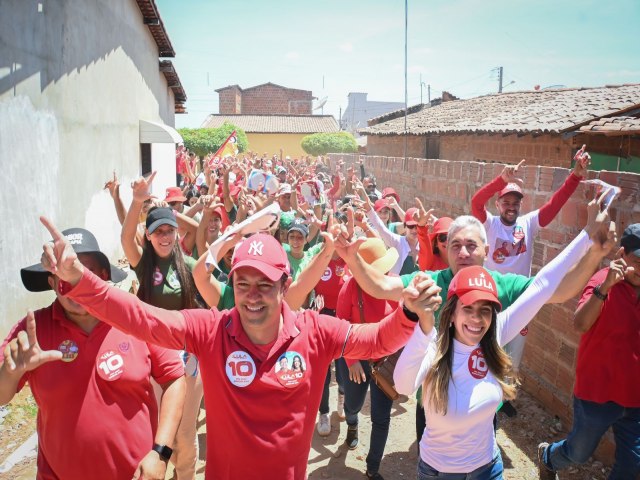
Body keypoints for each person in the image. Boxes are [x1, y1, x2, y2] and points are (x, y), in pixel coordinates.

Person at [38, 218, 435, 480]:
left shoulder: (315, 332)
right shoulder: (211, 331)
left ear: (285, 286)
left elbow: (376, 340)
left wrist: (408, 314)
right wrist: (79, 279)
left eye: (264, 285)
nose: (252, 296)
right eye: (242, 283)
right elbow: (142, 317)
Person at [394, 202, 615, 479]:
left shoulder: (495, 332)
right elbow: (403, 385)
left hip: (488, 467)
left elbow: (543, 284)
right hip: (440, 471)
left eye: (485, 309)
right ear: (450, 313)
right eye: (468, 308)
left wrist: (587, 234)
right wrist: (423, 329)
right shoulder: (433, 346)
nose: (477, 319)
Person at [0, 228, 185, 480]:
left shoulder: (133, 317)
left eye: (83, 274)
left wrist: (160, 452)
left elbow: (174, 378)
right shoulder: (32, 330)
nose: (75, 289)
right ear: (52, 283)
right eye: (64, 279)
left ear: (103, 276)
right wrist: (11, 372)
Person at [470, 153, 589, 401]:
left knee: (514, 355)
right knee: (487, 349)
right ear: (498, 204)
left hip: (521, 301)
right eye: (506, 202)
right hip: (493, 300)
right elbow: (476, 203)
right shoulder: (490, 225)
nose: (511, 207)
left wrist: (575, 176)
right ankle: (481, 395)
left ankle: (504, 397)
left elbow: (554, 206)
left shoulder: (528, 224)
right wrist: (500, 180)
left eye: (515, 202)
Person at [537, 223, 640, 480]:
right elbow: (580, 324)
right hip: (598, 394)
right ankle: (548, 456)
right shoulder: (602, 281)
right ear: (622, 254)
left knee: (632, 465)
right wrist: (604, 288)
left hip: (635, 396)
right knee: (579, 453)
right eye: (638, 260)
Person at [122, 173, 206, 480]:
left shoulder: (189, 265)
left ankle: (185, 476)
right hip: (151, 359)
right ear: (149, 235)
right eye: (158, 231)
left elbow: (199, 234)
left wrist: (171, 210)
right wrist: (136, 201)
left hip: (187, 360)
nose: (165, 236)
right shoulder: (144, 264)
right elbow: (125, 235)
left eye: (170, 230)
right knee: (157, 430)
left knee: (185, 433)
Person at [336, 238, 401, 480]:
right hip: (357, 358)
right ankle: (352, 424)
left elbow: (403, 322)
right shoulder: (350, 288)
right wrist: (351, 360)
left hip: (384, 360)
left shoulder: (394, 285)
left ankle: (373, 468)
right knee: (353, 404)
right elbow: (340, 328)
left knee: (381, 417)